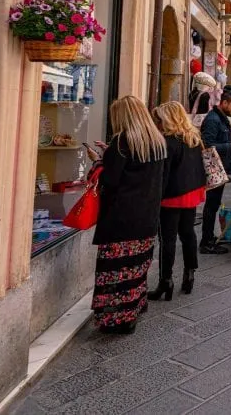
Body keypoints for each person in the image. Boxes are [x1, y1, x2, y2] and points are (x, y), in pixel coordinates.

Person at [92, 96, 168, 333]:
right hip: (147, 217)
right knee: (136, 267)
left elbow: (110, 181)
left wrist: (98, 163)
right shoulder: (156, 142)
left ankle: (118, 319)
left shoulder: (121, 143)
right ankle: (134, 307)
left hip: (121, 219)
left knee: (116, 270)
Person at [149, 101, 207, 301]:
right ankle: (189, 274)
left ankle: (166, 281)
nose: (157, 122)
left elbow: (162, 175)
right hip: (191, 192)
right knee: (188, 233)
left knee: (167, 239)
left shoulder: (167, 141)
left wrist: (155, 197)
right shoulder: (193, 138)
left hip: (171, 195)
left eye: (159, 119)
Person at [199, 90, 231, 254]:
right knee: (211, 205)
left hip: (220, 167)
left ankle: (209, 237)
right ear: (224, 103)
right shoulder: (213, 119)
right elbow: (207, 144)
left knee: (214, 204)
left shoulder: (221, 118)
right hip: (214, 169)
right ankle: (206, 241)